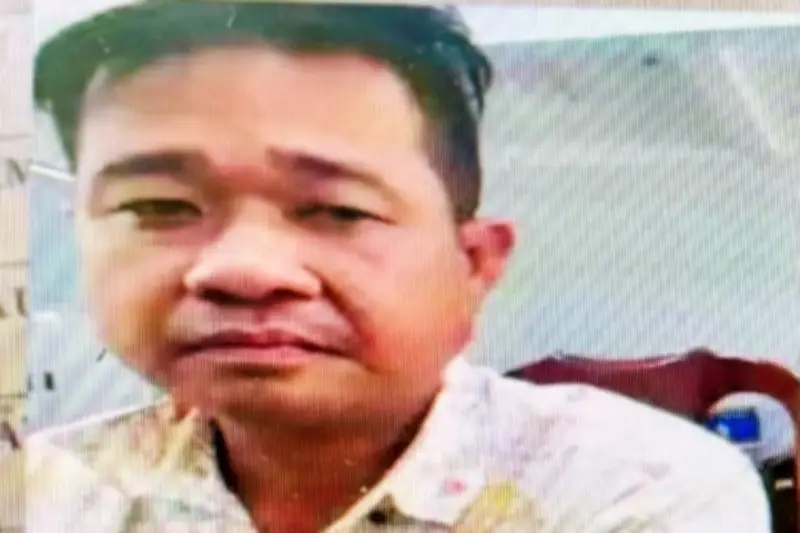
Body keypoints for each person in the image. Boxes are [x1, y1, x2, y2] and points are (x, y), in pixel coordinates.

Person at [17, 1, 770, 531]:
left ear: (472, 266)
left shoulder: (632, 490)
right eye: (158, 206)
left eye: (338, 210)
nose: (240, 270)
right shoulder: (44, 493)